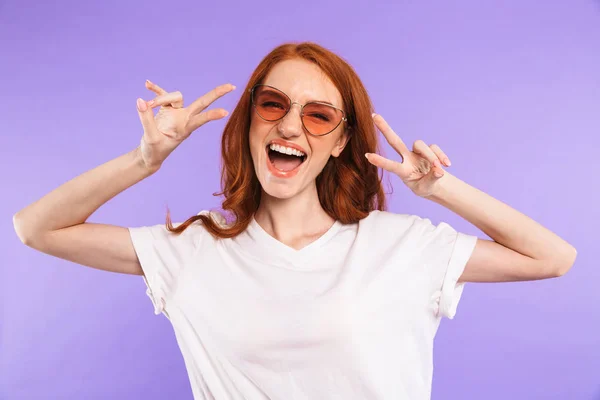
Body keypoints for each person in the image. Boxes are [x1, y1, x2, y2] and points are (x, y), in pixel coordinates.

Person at [13, 42, 577, 400]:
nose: (290, 127)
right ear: (252, 119)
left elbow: (553, 258)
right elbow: (36, 228)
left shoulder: (402, 246)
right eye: (273, 105)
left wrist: (440, 188)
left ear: (340, 143)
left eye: (319, 115)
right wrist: (145, 160)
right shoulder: (192, 248)